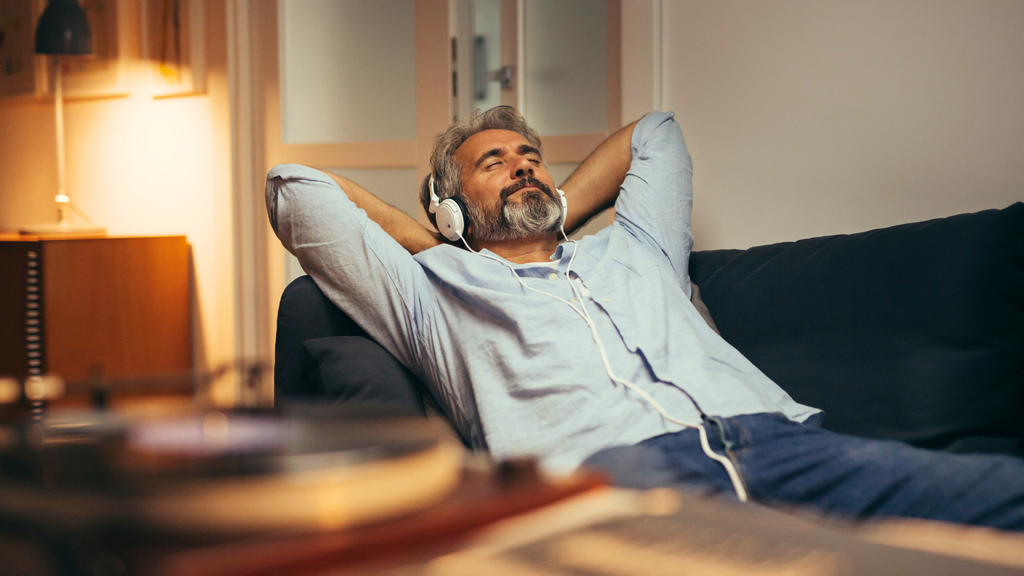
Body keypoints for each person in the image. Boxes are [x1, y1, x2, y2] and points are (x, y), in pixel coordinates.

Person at [266, 106, 1024, 531]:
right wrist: (447, 236)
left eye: (532, 155)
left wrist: (550, 208)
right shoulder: (430, 291)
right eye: (493, 162)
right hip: (614, 479)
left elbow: (656, 133)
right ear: (447, 200)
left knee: (997, 497)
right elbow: (291, 187)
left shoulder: (638, 251)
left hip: (788, 441)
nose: (524, 163)